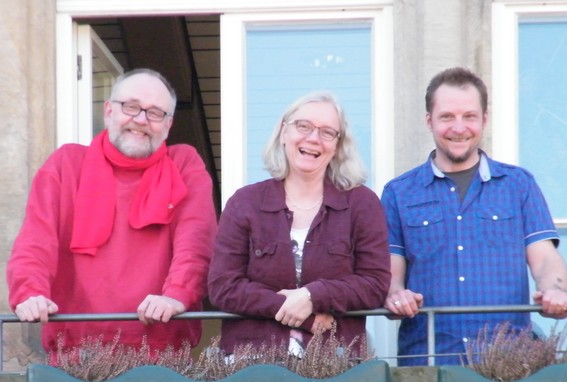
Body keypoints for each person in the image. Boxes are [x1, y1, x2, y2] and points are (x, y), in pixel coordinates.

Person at [7, 68, 217, 354]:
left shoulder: (184, 164)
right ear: (108, 111)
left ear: (168, 125)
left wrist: (177, 295)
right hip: (76, 350)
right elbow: (35, 241)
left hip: (161, 348)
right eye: (131, 107)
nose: (141, 120)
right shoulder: (66, 164)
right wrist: (29, 292)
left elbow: (197, 240)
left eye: (155, 113)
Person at [381, 66, 567, 366]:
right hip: (428, 362)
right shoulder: (398, 193)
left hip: (508, 363)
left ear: (484, 119)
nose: (459, 127)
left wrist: (555, 290)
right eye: (447, 117)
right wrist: (395, 294)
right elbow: (389, 271)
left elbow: (544, 258)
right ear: (429, 121)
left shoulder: (519, 185)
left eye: (469, 116)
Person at [207, 91, 391, 357]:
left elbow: (375, 284)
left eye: (327, 132)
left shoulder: (362, 204)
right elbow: (223, 286)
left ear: (338, 146)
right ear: (284, 133)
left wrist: (313, 295)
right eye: (303, 126)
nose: (313, 138)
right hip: (253, 361)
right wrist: (296, 312)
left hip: (334, 359)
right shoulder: (245, 202)